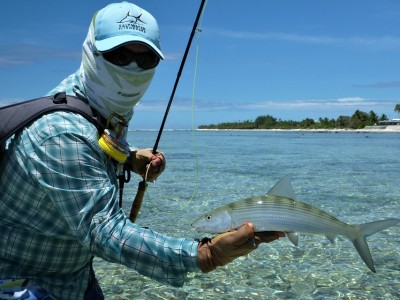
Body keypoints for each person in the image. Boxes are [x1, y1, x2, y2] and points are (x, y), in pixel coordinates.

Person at [0, 2, 282, 299]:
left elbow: (93, 142)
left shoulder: (99, 106)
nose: (131, 68)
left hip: (74, 273)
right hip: (23, 281)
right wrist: (205, 255)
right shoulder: (61, 135)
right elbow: (105, 231)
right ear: (91, 50)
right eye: (119, 55)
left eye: (145, 59)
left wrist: (129, 156)